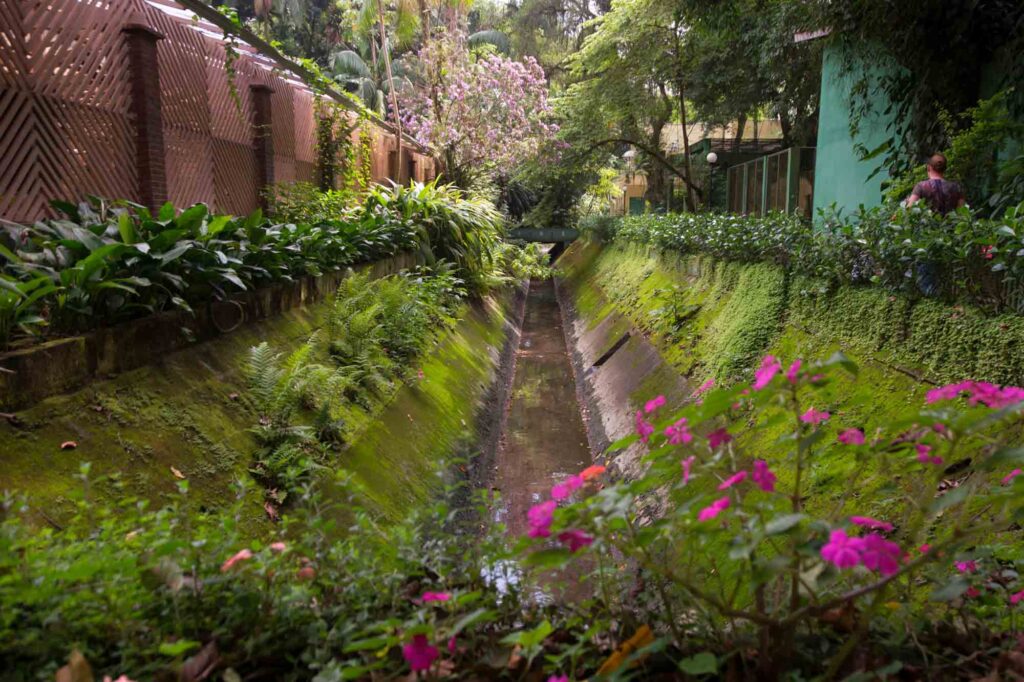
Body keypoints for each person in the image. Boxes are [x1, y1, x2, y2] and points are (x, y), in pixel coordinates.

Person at [904, 153, 965, 298]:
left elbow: (909, 210)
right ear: (945, 168)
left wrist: (907, 202)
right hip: (949, 236)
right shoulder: (956, 188)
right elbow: (963, 213)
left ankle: (933, 302)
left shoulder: (921, 186)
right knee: (945, 272)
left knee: (926, 274)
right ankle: (946, 299)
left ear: (928, 167)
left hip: (927, 238)